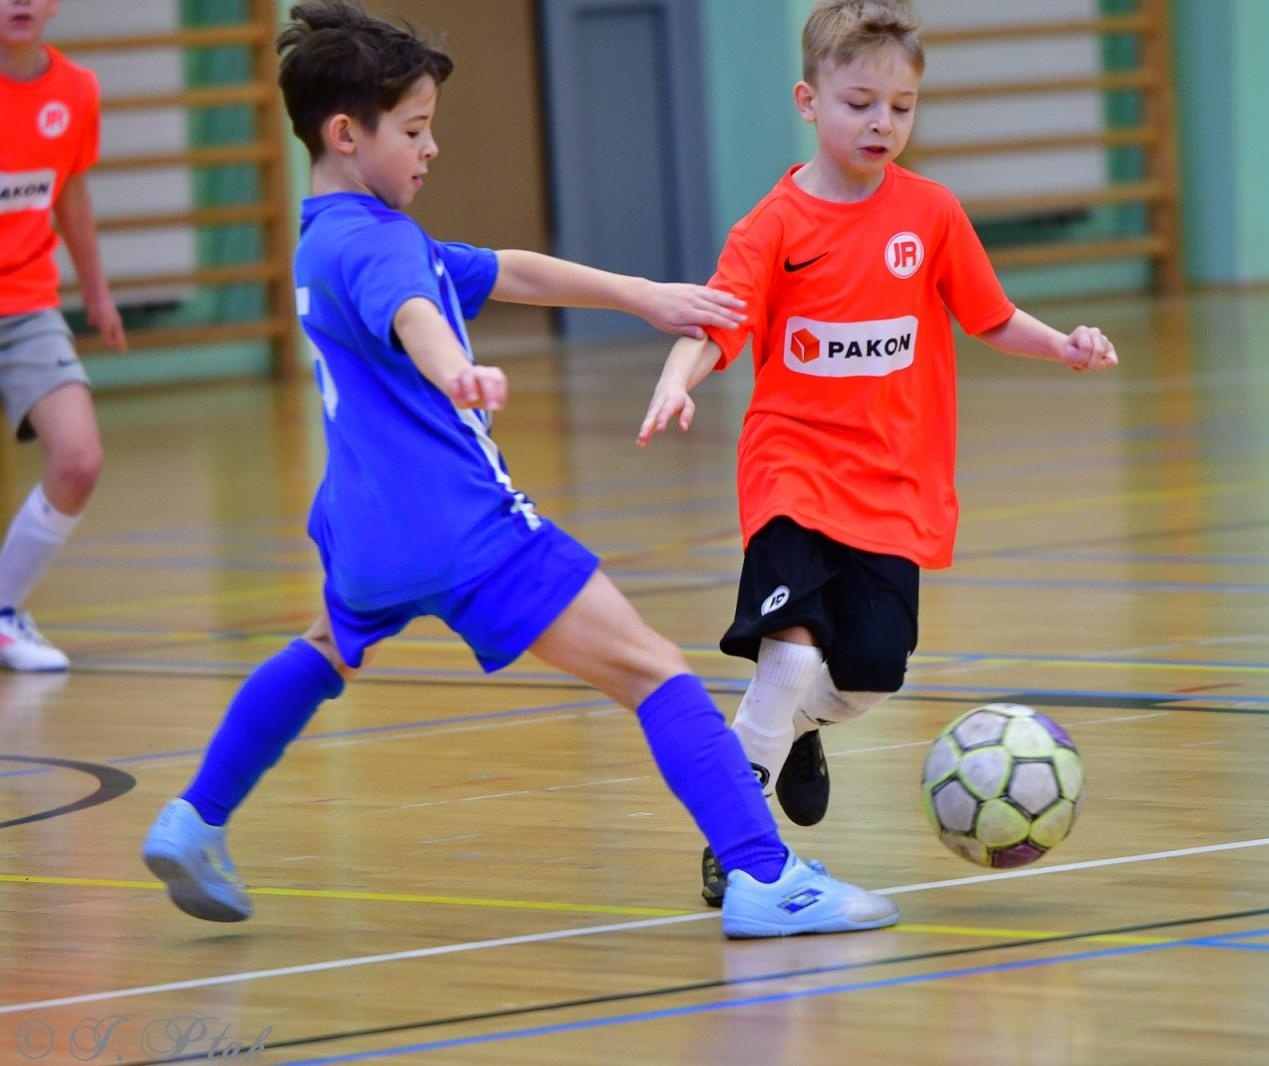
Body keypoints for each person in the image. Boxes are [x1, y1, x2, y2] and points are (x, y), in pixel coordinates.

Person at [140, 0, 898, 940]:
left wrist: (641, 296)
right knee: (654, 671)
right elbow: (415, 312)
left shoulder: (330, 235)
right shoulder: (380, 245)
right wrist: (453, 371)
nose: (431, 148)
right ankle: (764, 875)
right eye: (413, 129)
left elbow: (507, 271)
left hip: (366, 535)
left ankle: (195, 817)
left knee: (322, 649)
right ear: (344, 134)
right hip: (464, 530)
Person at [637, 0, 1118, 906]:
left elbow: (990, 315)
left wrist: (1062, 345)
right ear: (809, 101)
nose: (881, 123)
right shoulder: (772, 226)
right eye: (860, 103)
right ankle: (737, 837)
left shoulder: (930, 214)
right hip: (792, 469)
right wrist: (677, 378)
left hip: (894, 484)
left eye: (901, 107)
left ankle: (795, 730)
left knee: (869, 675)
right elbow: (717, 323)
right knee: (788, 656)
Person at [0, 0, 126, 672]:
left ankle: (2, 611)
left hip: (26, 307)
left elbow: (72, 196)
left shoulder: (75, 91)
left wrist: (97, 294)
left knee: (78, 460)